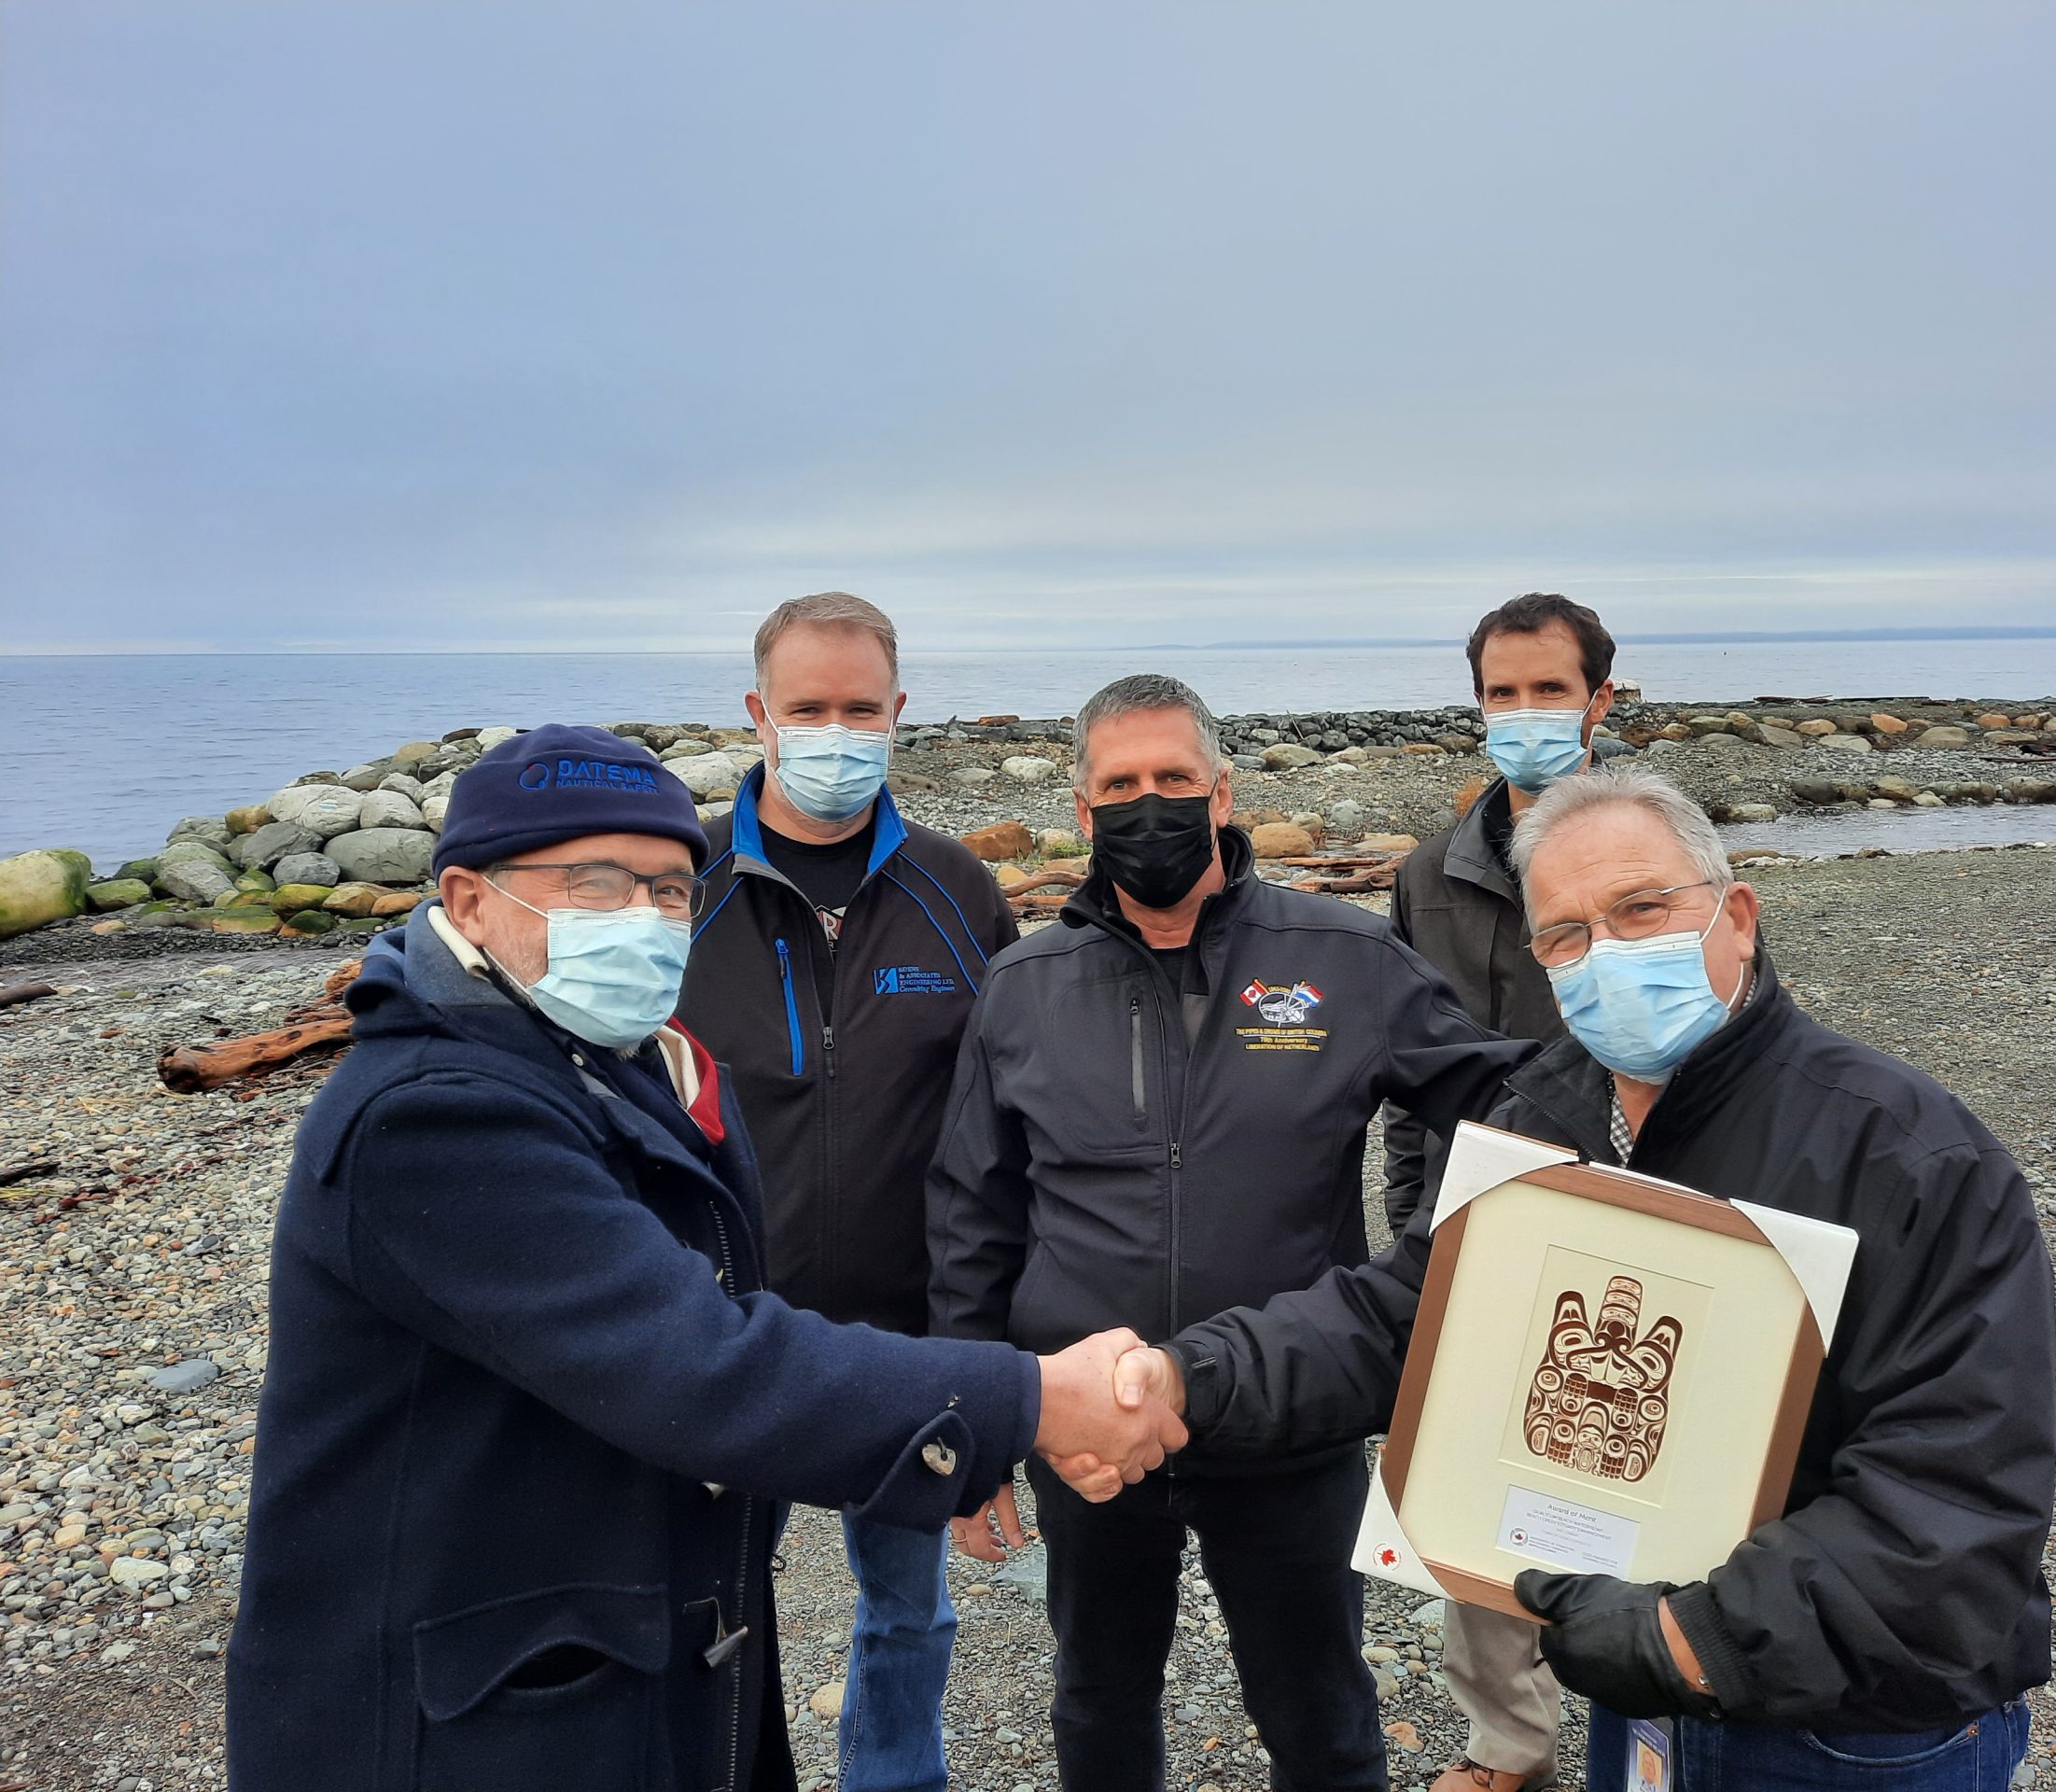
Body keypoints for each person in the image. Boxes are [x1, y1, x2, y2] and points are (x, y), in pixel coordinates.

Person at [226, 723, 1182, 1792]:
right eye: (597, 883)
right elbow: (698, 1365)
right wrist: (1034, 1398)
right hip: (453, 1717)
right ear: (467, 900)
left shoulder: (612, 1068)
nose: (642, 917)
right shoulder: (435, 1118)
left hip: (608, 1657)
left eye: (671, 890)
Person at [1098, 764, 2056, 1792]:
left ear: (1736, 916)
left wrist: (1690, 1638)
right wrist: (1186, 1379)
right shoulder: (1540, 1117)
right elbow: (1403, 1320)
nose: (1605, 953)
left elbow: (1957, 1497)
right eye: (1565, 935)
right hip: (1638, 1695)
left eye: (1642, 908)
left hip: (1851, 1730)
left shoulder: (1908, 1156)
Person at [926, 674, 1535, 1792]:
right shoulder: (1023, 984)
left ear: (1222, 791)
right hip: (1089, 1416)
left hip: (1287, 1407)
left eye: (1173, 779)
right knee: (1100, 1697)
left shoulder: (1340, 956)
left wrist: (1435, 1272)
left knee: (1319, 1707)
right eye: (1120, 784)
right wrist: (974, 1432)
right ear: (1079, 807)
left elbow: (1507, 1100)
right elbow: (973, 1212)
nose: (1146, 804)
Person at [677, 593, 1017, 1792]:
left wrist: (995, 1353)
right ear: (758, 713)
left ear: (898, 713)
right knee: (705, 1606)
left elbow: (1008, 1121)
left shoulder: (959, 890)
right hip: (724, 1334)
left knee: (909, 1614)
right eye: (808, 708)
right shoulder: (682, 888)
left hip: (907, 1337)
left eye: (858, 708)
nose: (834, 729)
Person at [1382, 593, 1621, 1792]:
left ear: (1601, 702)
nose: (1525, 715)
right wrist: (1410, 1222)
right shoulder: (1428, 875)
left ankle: (1652, 1723)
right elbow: (1404, 1074)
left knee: (1639, 1483)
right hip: (1474, 1226)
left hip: (1635, 1222)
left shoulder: (1657, 858)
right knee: (1475, 1497)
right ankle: (1508, 1748)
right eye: (1502, 694)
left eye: (1549, 690)